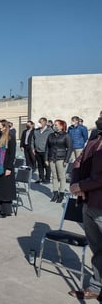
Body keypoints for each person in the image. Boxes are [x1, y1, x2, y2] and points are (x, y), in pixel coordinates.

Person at [68, 117, 102, 301]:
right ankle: (96, 287)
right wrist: (76, 184)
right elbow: (79, 161)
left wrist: (82, 186)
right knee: (97, 248)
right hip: (88, 203)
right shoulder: (95, 136)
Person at [45, 120, 72, 202]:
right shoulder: (51, 135)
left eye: (56, 125)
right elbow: (47, 148)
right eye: (54, 125)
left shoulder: (66, 135)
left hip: (61, 158)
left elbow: (70, 148)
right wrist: (46, 159)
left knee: (61, 176)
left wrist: (66, 160)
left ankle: (61, 193)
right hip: (52, 158)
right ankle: (55, 193)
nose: (55, 126)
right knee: (54, 176)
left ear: (61, 126)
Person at [31, 117, 53, 184]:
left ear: (45, 122)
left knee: (47, 165)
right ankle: (41, 178)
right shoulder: (36, 131)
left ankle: (47, 179)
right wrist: (33, 148)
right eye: (39, 122)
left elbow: (52, 141)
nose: (39, 124)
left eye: (40, 122)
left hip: (46, 151)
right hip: (37, 151)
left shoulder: (50, 131)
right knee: (40, 166)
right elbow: (32, 140)